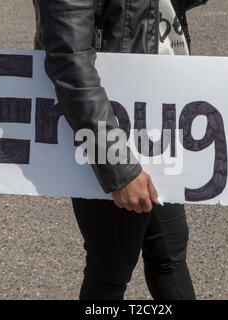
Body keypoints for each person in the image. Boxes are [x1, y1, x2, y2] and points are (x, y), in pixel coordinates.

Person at [32, 0, 207, 300]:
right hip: (112, 128)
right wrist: (117, 165)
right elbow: (69, 62)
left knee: (169, 255)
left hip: (155, 120)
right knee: (111, 266)